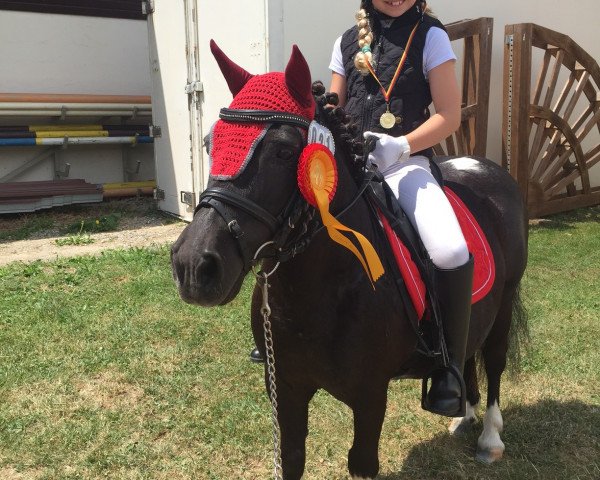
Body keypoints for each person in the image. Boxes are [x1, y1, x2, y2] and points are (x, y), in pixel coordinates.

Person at [327, 0, 474, 418]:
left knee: (449, 251)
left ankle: (448, 366)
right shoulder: (345, 41)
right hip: (353, 166)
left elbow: (449, 116)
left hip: (406, 162)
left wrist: (404, 145)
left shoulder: (432, 36)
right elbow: (333, 105)